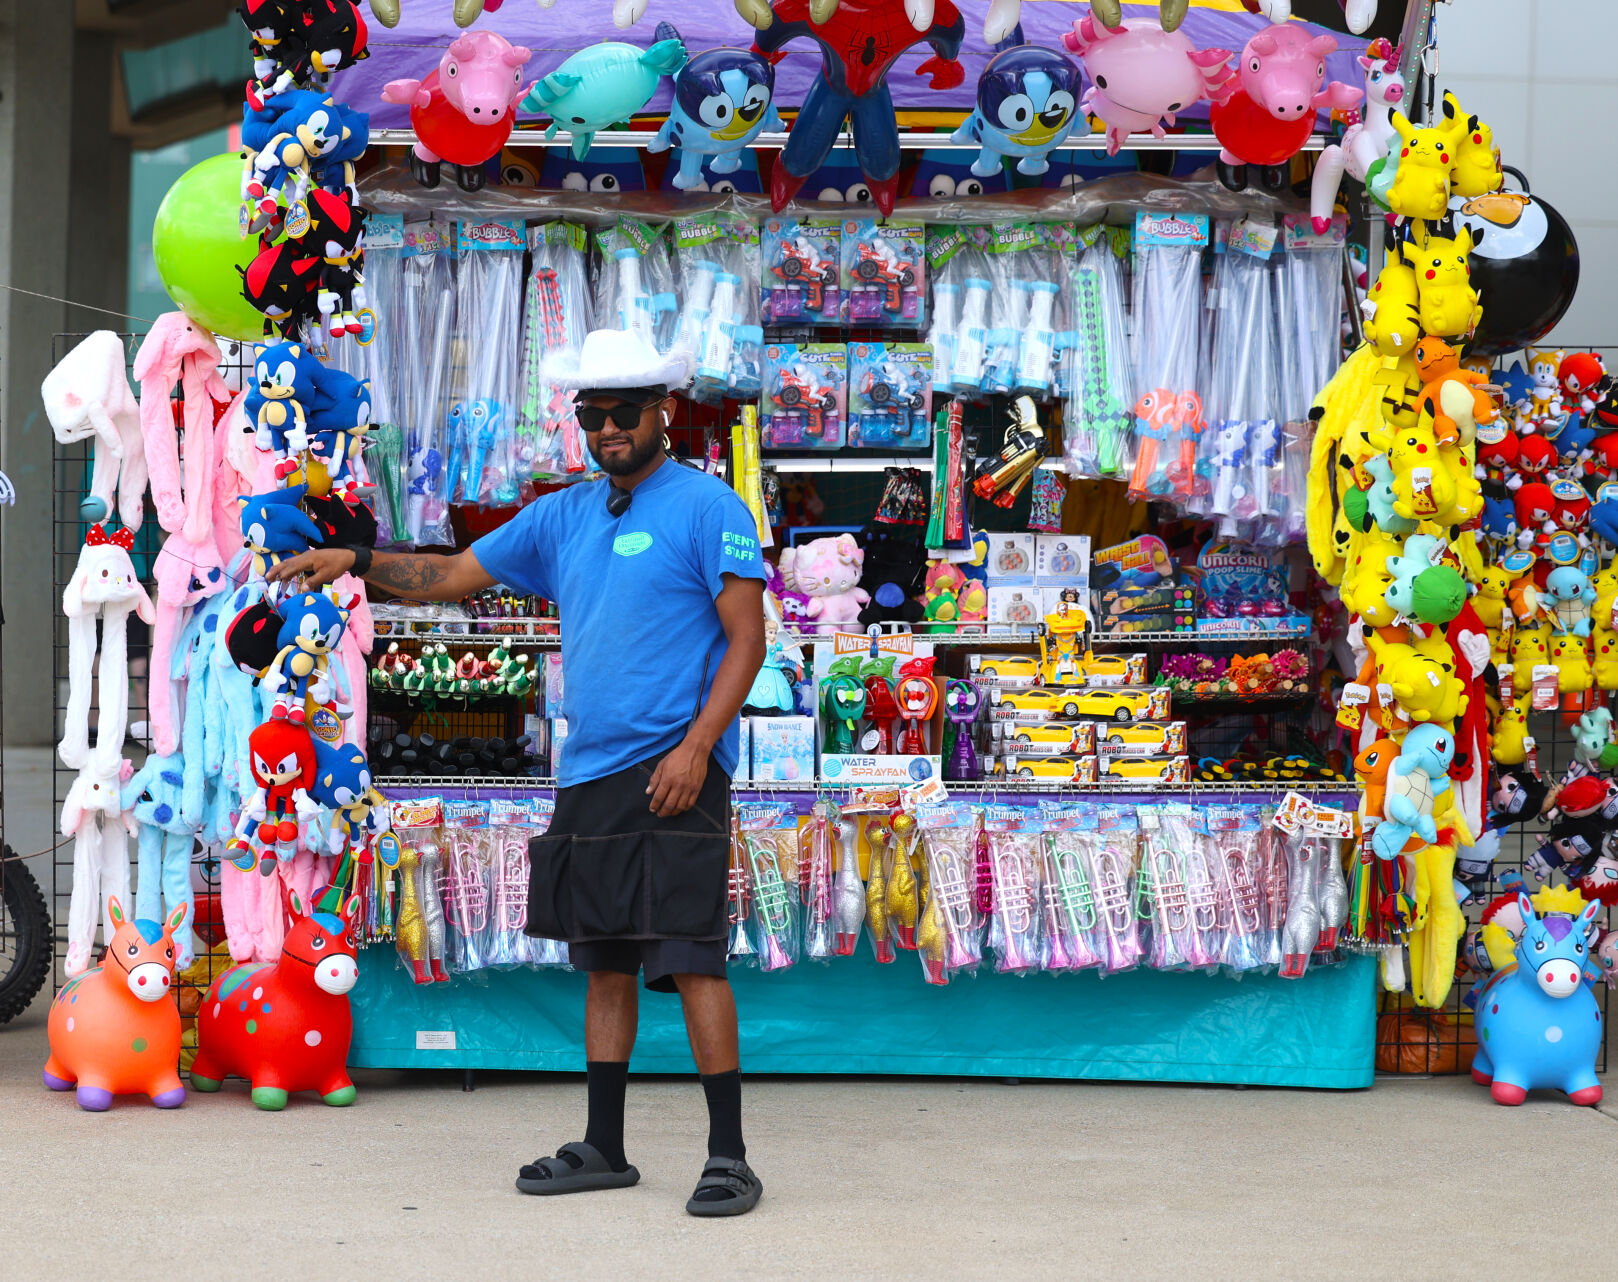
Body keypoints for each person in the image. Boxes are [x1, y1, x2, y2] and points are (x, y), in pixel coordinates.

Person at [269, 329, 769, 1216]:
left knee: (694, 960)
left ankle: (728, 1156)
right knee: (605, 962)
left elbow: (747, 640)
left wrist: (698, 747)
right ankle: (604, 1146)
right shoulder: (565, 514)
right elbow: (456, 574)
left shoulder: (709, 507)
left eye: (623, 412)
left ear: (664, 411)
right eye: (592, 414)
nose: (607, 428)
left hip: (677, 770)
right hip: (590, 773)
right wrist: (359, 561)